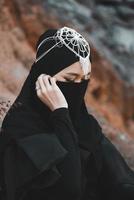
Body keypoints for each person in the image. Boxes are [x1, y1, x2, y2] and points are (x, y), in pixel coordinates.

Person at [0, 26, 134, 200]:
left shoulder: (84, 124)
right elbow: (69, 190)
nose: (78, 87)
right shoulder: (21, 132)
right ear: (44, 78)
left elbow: (122, 180)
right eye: (70, 79)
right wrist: (60, 114)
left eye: (84, 79)